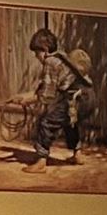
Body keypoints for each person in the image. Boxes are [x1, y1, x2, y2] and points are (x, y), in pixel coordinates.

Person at [23, 27, 95, 164]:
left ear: (45, 50)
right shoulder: (62, 57)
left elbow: (47, 95)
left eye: (37, 53)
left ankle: (41, 161)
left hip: (73, 99)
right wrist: (24, 97)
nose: (36, 56)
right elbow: (51, 87)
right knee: (70, 122)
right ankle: (77, 154)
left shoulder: (50, 62)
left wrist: (29, 100)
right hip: (88, 98)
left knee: (46, 122)